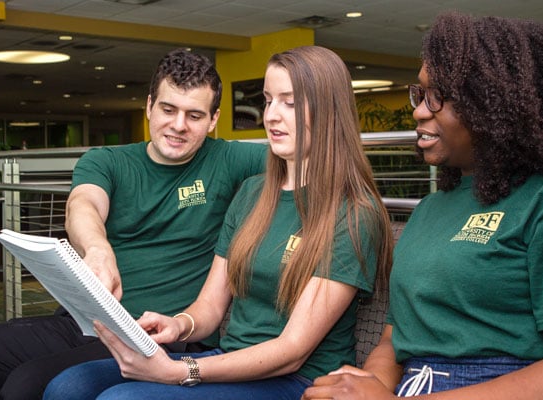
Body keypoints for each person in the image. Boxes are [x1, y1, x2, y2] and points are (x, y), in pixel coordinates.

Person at [0, 49, 267, 400]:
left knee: (27, 387)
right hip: (82, 322)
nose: (178, 125)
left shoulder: (230, 159)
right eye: (168, 109)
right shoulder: (107, 161)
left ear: (214, 119)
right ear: (149, 106)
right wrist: (96, 247)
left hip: (158, 335)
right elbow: (84, 204)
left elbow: (309, 152)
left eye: (194, 115)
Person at [42, 45, 394, 400]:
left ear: (329, 111)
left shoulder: (352, 213)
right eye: (268, 100)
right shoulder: (253, 193)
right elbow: (209, 309)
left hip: (297, 381)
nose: (271, 115)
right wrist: (177, 325)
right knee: (66, 387)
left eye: (289, 102)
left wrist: (181, 371)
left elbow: (292, 351)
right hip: (230, 361)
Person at [302, 12, 543, 400]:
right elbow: (395, 340)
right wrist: (367, 386)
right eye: (420, 94)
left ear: (495, 102)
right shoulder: (432, 208)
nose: (419, 111)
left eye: (438, 96)